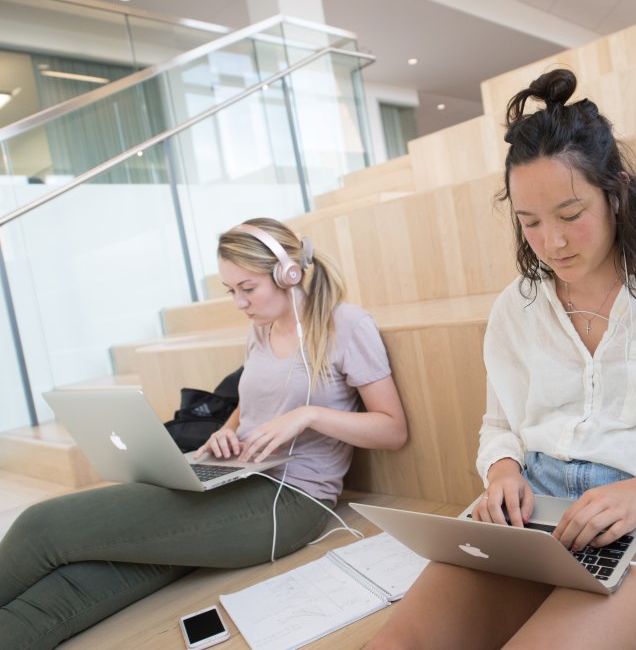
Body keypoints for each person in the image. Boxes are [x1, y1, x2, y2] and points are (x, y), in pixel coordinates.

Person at [369, 69, 636, 649]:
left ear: (616, 191)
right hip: (537, 519)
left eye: (571, 215)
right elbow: (501, 425)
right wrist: (502, 470)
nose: (552, 243)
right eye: (529, 222)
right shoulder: (514, 309)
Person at [0, 217, 407, 649]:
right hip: (236, 473)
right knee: (72, 588)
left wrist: (309, 415)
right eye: (231, 291)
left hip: (287, 501)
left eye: (247, 288)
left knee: (43, 526)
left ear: (290, 272)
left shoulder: (346, 325)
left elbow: (393, 429)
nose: (239, 303)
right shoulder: (262, 327)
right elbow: (248, 409)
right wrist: (224, 435)